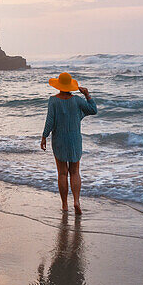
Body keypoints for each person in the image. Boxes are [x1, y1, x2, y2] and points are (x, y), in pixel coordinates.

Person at [40, 72, 96, 214]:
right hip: (75, 140)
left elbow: (50, 121)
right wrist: (87, 95)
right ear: (71, 86)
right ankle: (76, 201)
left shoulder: (53, 101)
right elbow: (93, 110)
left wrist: (44, 136)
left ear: (59, 85)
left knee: (62, 173)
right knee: (75, 172)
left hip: (59, 140)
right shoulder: (77, 100)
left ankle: (65, 205)